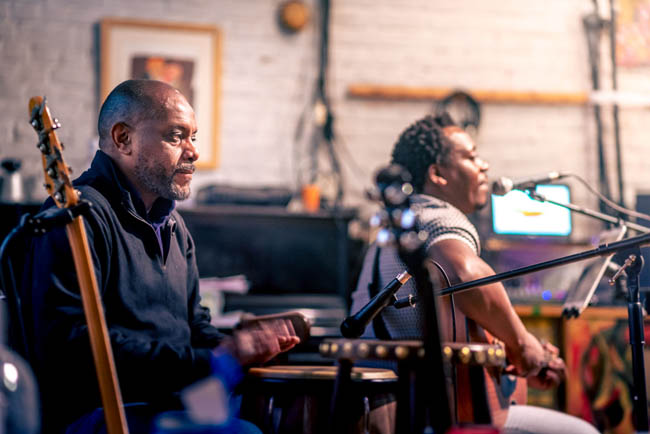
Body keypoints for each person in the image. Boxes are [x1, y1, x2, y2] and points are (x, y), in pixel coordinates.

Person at [23, 79, 300, 433]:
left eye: (193, 137)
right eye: (175, 136)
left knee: (268, 420)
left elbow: (194, 327)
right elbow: (70, 347)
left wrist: (244, 349)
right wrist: (215, 360)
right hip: (101, 413)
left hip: (170, 401)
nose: (193, 151)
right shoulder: (76, 216)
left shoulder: (174, 225)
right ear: (123, 139)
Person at [349, 114, 599, 433]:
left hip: (390, 411)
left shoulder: (398, 224)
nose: (484, 166)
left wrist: (518, 351)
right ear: (438, 174)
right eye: (470, 157)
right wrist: (523, 344)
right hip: (429, 414)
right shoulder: (437, 216)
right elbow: (466, 276)